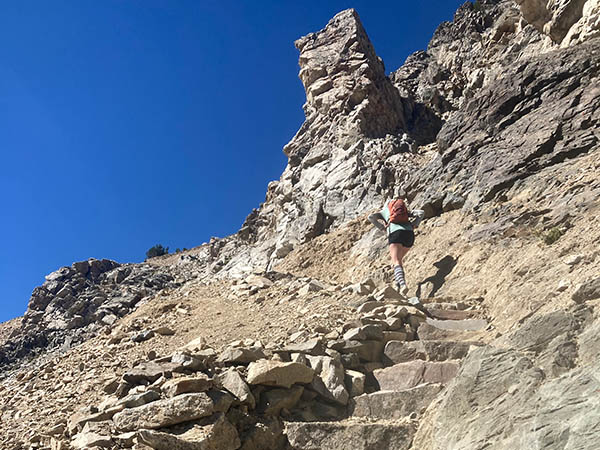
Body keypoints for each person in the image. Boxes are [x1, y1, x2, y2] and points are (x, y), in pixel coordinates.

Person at [368, 193, 424, 299]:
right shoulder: (405, 212)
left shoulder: (384, 212)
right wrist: (414, 224)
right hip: (409, 234)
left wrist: (382, 227)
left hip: (395, 234)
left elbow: (370, 217)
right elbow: (421, 213)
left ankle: (402, 285)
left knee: (396, 261)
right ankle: (397, 287)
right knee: (398, 261)